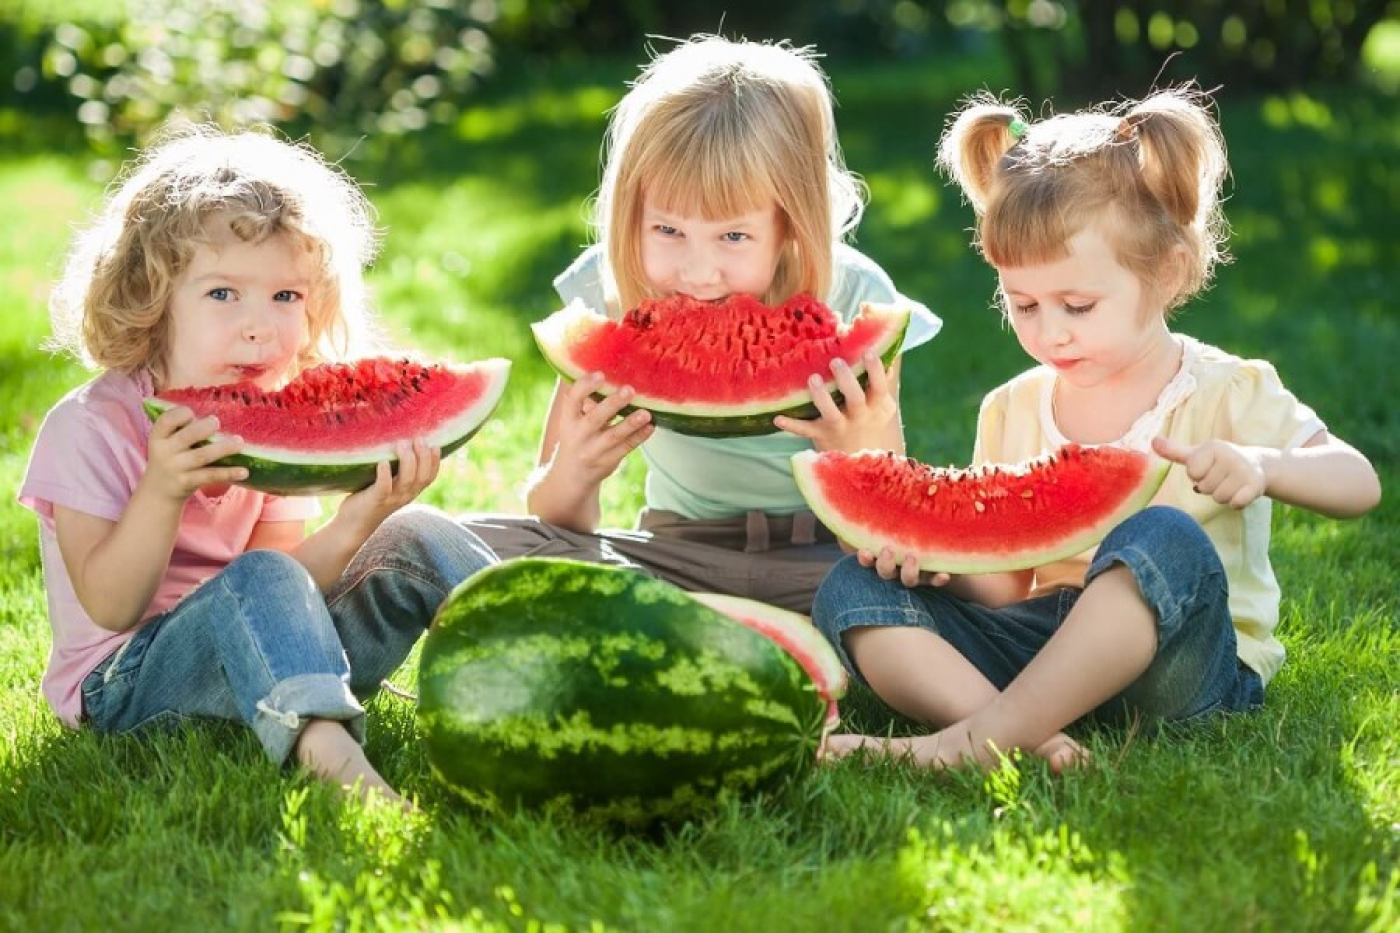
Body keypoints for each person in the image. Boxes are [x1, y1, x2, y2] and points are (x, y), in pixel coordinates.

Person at [812, 87, 1381, 772]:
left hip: (1179, 669)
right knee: (849, 590)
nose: (1049, 331)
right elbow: (1004, 587)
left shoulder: (1229, 388)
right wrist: (937, 563)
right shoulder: (1009, 408)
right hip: (1036, 648)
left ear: (1166, 273)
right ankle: (1029, 737)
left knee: (1163, 537)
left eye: (1077, 305)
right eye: (1022, 304)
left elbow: (1360, 482)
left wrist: (1264, 465)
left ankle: (972, 736)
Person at [19, 125, 498, 805]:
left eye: (286, 297)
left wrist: (364, 517)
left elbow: (290, 582)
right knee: (257, 575)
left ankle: (548, 661)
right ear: (153, 301)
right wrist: (162, 489)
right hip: (125, 688)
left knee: (418, 533)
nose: (259, 326)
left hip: (269, 655)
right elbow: (111, 604)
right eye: (223, 294)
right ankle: (331, 758)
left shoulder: (270, 430)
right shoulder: (89, 426)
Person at [463, 35, 940, 613]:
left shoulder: (860, 298)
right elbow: (558, 518)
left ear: (791, 221)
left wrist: (858, 456)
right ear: (628, 213)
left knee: (904, 586)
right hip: (672, 558)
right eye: (667, 230)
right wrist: (576, 472)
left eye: (733, 236)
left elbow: (877, 537)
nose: (697, 272)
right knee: (484, 547)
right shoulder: (607, 288)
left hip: (824, 567)